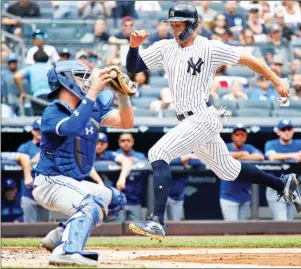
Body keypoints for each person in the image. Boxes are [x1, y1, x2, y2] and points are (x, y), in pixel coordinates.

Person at [126, 2, 300, 241]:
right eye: (172, 24)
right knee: (228, 170)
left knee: (158, 153)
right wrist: (133, 47)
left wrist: (276, 79)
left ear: (193, 25)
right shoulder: (165, 47)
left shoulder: (208, 47)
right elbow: (133, 66)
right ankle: (282, 184)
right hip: (188, 120)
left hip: (202, 116)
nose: (175, 29)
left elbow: (247, 58)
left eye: (179, 24)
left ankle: (156, 221)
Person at [32, 60, 133, 265]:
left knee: (115, 200)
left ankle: (59, 236)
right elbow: (72, 127)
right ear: (65, 80)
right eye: (80, 76)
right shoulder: (53, 110)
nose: (87, 81)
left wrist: (122, 96)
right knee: (91, 203)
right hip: (50, 182)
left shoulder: (91, 106)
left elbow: (126, 122)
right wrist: (93, 92)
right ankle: (67, 251)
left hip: (72, 183)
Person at [220, 124, 264, 221]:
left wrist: (237, 157)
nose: (240, 137)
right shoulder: (225, 146)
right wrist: (242, 154)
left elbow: (260, 157)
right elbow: (221, 157)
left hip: (244, 196)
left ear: (246, 137)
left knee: (242, 230)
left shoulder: (248, 147)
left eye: (242, 135)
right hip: (229, 196)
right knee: (232, 230)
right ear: (232, 136)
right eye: (237, 134)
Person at [264, 120, 301, 221]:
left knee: (290, 220)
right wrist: (293, 155)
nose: (286, 132)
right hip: (276, 184)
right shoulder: (271, 144)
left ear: (293, 130)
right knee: (281, 220)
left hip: (294, 186)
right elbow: (272, 157)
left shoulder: (299, 143)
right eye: (283, 129)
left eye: (289, 129)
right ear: (278, 131)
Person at [17, 118, 50, 222]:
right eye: (37, 130)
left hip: (46, 192)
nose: (39, 132)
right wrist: (33, 161)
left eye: (42, 130)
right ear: (32, 131)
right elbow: (21, 164)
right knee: (29, 230)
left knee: (45, 229)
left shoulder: (50, 146)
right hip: (29, 192)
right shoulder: (25, 147)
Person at [115, 133, 147, 221]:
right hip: (118, 202)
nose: (126, 143)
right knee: (117, 230)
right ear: (119, 142)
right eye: (123, 141)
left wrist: (136, 162)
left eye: (128, 140)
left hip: (135, 201)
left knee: (136, 231)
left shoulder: (140, 157)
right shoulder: (114, 155)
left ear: (132, 142)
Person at [14, 49, 52, 115]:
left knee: (39, 119)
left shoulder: (31, 68)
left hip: (38, 98)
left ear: (34, 59)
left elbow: (16, 77)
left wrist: (22, 92)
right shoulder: (52, 67)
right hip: (52, 97)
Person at [167, 153, 202, 221]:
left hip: (177, 196)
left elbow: (198, 163)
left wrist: (187, 157)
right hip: (160, 196)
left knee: (176, 225)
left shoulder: (186, 154)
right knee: (159, 225)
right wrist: (182, 159)